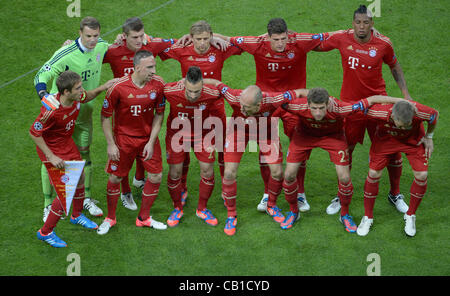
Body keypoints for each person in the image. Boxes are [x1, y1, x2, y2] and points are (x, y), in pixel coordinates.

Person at [214, 18, 331, 213]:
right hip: (266, 103)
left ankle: (299, 192)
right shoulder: (256, 44)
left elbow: (334, 37)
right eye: (275, 39)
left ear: (288, 35)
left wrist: (366, 31)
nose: (280, 44)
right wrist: (195, 37)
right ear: (268, 37)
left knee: (299, 146)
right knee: (265, 147)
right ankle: (268, 193)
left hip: (293, 102)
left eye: (283, 38)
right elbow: (227, 39)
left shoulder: (300, 41)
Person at [316, 5, 412, 215]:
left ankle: (394, 194)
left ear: (372, 24)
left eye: (366, 22)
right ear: (353, 23)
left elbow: (394, 66)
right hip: (350, 107)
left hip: (378, 104)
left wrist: (405, 95)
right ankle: (343, 194)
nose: (362, 27)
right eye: (358, 22)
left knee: (392, 150)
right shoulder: (342, 38)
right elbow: (316, 45)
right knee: (346, 149)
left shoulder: (383, 43)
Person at [274, 88, 402, 231]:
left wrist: (401, 101)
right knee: (289, 175)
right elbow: (274, 99)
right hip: (304, 136)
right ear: (308, 104)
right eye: (314, 108)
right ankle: (293, 212)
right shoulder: (296, 106)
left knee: (345, 177)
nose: (317, 113)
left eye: (321, 108)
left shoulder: (341, 108)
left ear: (328, 104)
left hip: (333, 137)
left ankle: (345, 214)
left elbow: (371, 100)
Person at [203, 78, 306, 236]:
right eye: (241, 105)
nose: (242, 109)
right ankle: (231, 215)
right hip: (238, 131)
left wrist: (322, 99)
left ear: (259, 105)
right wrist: (189, 81)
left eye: (247, 107)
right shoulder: (234, 97)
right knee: (229, 173)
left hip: (266, 131)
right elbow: (217, 83)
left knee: (278, 173)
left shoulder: (273, 100)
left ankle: (271, 205)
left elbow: (298, 92)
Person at [34, 17, 110, 220]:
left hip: (84, 114)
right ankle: (48, 205)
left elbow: (120, 50)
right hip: (59, 115)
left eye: (96, 35)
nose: (93, 40)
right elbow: (40, 75)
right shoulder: (64, 53)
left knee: (84, 155)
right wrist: (44, 97)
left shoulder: (102, 46)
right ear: (80, 33)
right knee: (50, 159)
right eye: (88, 36)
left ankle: (84, 199)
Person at [160, 20, 243, 205]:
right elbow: (155, 48)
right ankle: (182, 187)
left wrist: (219, 38)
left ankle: (225, 185)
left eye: (206, 38)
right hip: (188, 107)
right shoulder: (182, 49)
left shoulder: (219, 48)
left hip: (214, 109)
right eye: (198, 39)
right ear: (191, 38)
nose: (203, 43)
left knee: (221, 148)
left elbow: (243, 44)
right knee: (183, 151)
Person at [31, 71, 115, 247]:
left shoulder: (76, 96)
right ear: (66, 92)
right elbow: (34, 133)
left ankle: (76, 215)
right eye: (78, 88)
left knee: (81, 178)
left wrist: (103, 87)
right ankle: (45, 232)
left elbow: (88, 95)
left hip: (66, 144)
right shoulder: (50, 109)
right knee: (65, 192)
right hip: (52, 150)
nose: (82, 90)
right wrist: (51, 156)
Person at [103, 17, 177, 211]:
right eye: (134, 37)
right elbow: (88, 55)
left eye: (141, 35)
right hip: (123, 108)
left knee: (143, 148)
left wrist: (212, 38)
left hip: (144, 108)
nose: (139, 40)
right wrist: (70, 45)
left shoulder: (150, 47)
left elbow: (178, 41)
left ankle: (139, 180)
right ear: (124, 36)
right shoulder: (113, 51)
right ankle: (125, 191)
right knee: (124, 156)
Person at [97, 50, 167, 235]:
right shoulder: (118, 87)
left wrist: (151, 141)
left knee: (156, 176)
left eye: (154, 66)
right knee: (115, 178)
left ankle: (144, 218)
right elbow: (105, 117)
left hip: (146, 139)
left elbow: (159, 114)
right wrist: (111, 144)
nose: (154, 70)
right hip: (123, 140)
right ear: (137, 68)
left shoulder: (158, 85)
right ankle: (110, 218)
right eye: (149, 67)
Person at [356, 98, 438, 237]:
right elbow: (364, 105)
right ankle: (367, 217)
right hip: (386, 141)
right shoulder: (378, 112)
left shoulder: (421, 112)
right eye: (399, 126)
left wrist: (429, 137)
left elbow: (434, 116)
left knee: (422, 175)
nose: (402, 129)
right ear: (392, 116)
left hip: (412, 142)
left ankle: (410, 215)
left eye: (406, 126)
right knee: (374, 173)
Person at [163, 66, 222, 228]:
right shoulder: (169, 91)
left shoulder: (212, 93)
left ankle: (202, 209)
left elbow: (226, 95)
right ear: (183, 85)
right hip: (177, 136)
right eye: (190, 91)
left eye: (197, 92)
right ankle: (177, 208)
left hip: (202, 136)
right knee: (174, 173)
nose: (193, 96)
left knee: (208, 171)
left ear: (203, 85)